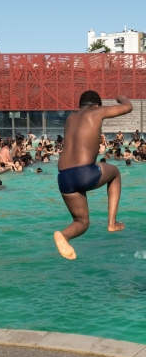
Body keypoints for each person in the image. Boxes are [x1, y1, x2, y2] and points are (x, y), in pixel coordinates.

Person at [54, 90, 133, 260]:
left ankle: (64, 235)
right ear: (96, 105)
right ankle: (112, 223)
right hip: (84, 173)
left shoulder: (70, 118)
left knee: (81, 221)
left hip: (64, 177)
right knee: (116, 173)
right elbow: (128, 107)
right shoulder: (97, 111)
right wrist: (121, 97)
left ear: (80, 105)